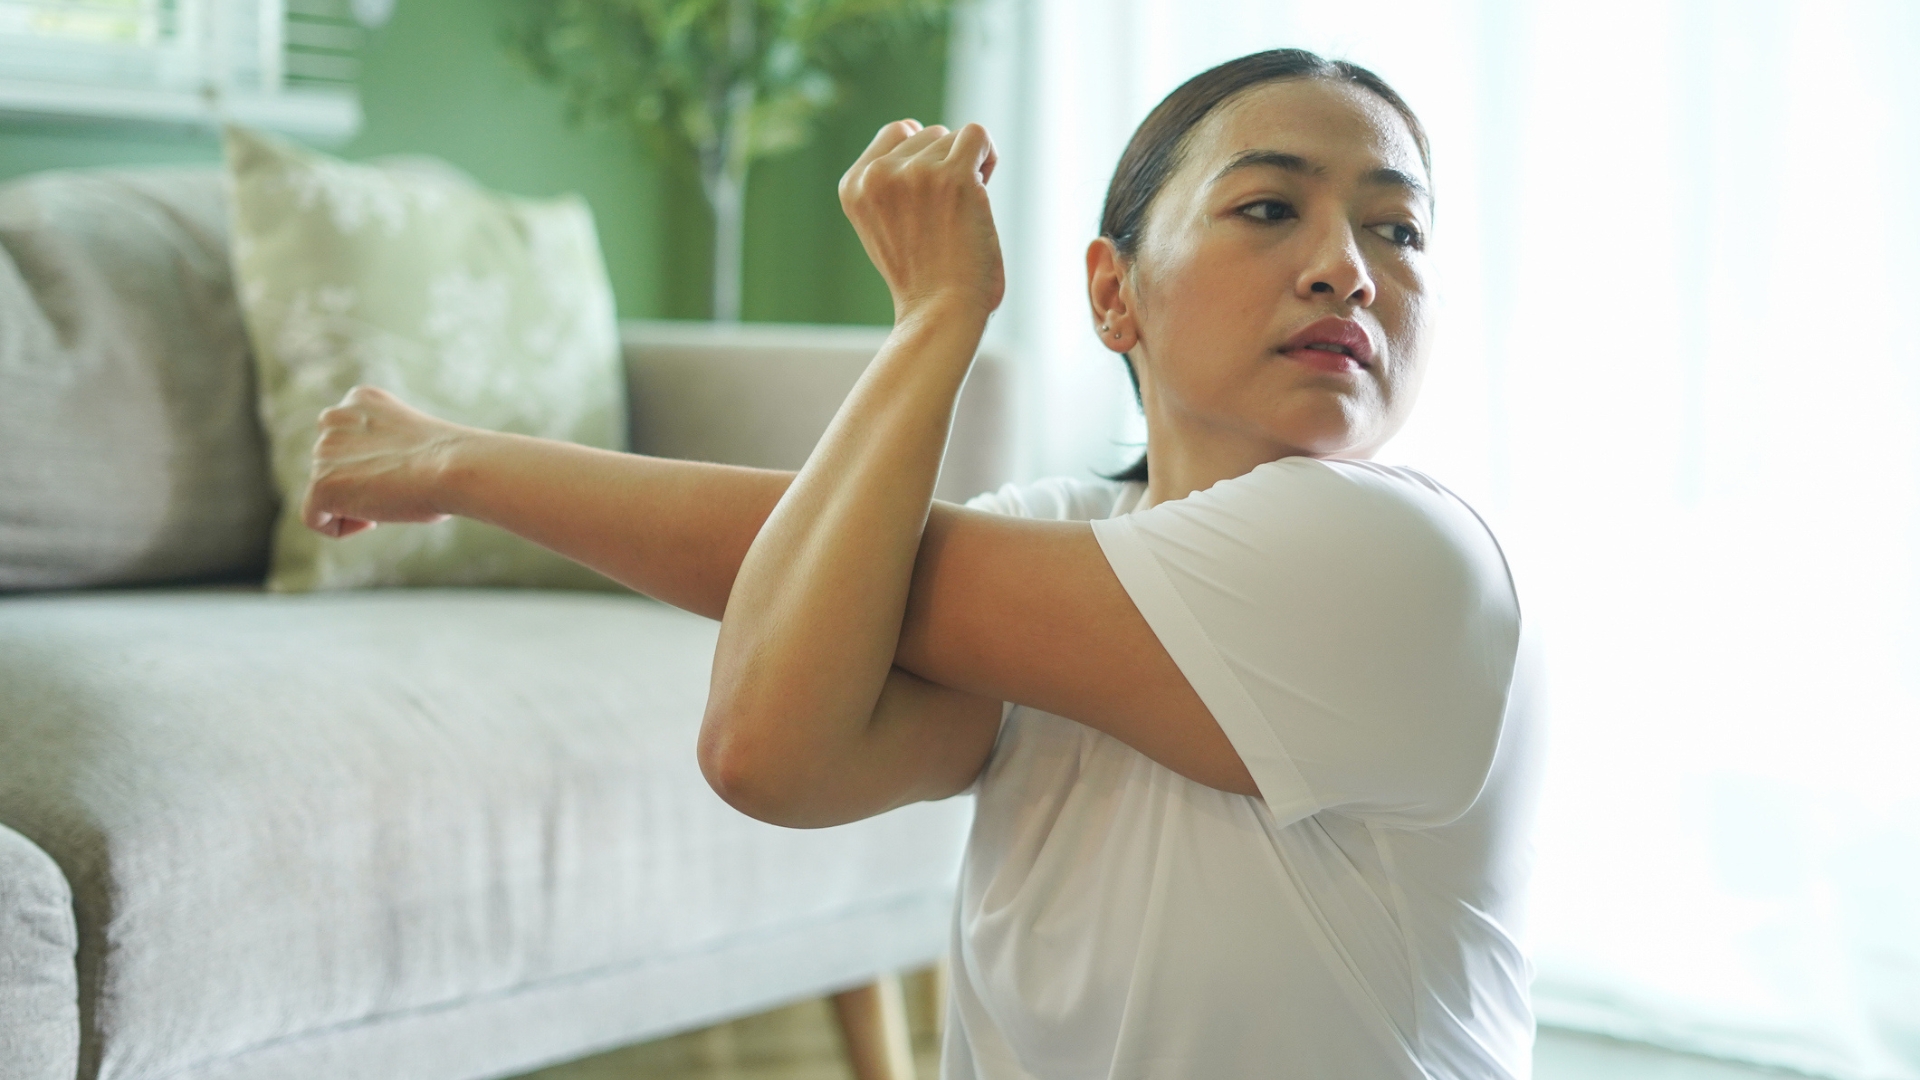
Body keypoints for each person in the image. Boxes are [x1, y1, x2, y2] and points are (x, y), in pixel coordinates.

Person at [301, 48, 1544, 1080]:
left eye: (1398, 228)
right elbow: (773, 752)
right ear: (1114, 294)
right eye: (1269, 208)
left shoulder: (1407, 563)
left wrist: (462, 461)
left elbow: (841, 573)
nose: (1348, 270)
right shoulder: (1063, 527)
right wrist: (933, 326)